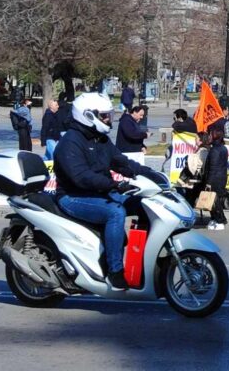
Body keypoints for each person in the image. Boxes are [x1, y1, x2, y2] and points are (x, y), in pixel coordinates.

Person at [54, 92, 156, 290]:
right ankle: (114, 272)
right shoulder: (70, 142)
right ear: (88, 116)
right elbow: (81, 177)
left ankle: (140, 262)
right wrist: (113, 185)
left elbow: (121, 162)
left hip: (98, 192)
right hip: (73, 196)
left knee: (144, 204)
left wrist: (150, 173)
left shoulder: (100, 139)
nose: (109, 119)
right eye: (104, 116)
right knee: (115, 212)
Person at [202, 125, 229, 230]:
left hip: (215, 179)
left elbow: (213, 167)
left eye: (210, 134)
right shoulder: (222, 148)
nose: (208, 136)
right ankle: (215, 218)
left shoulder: (215, 150)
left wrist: (208, 182)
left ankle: (220, 220)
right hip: (221, 177)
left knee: (214, 201)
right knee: (213, 201)